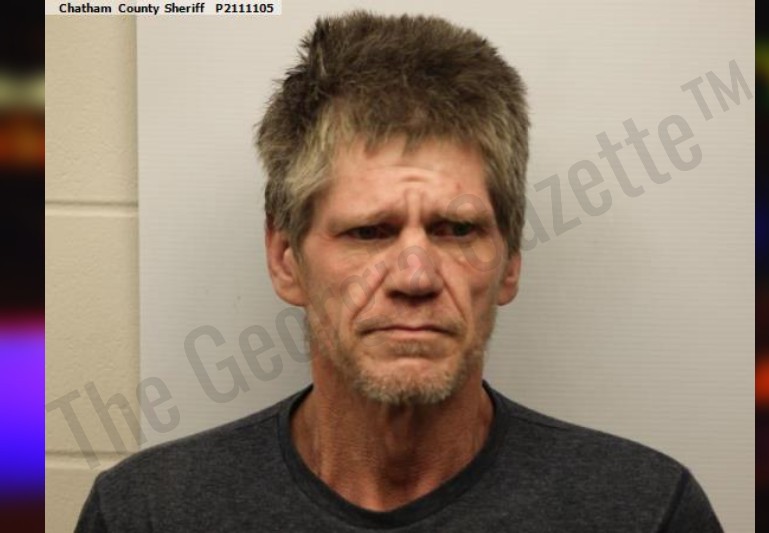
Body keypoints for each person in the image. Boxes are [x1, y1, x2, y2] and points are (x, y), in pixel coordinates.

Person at [75, 11, 723, 532]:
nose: (415, 277)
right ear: (285, 258)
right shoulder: (147, 513)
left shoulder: (645, 511)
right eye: (369, 232)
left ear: (510, 262)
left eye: (457, 229)